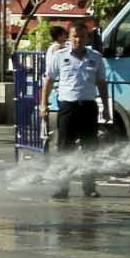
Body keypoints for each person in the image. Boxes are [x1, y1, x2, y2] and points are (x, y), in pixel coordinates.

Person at [38, 22, 105, 197]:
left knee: (90, 148)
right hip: (68, 107)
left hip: (88, 107)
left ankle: (89, 187)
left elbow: (101, 83)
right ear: (69, 37)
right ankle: (62, 187)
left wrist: (105, 106)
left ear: (87, 38)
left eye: (82, 36)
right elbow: (49, 82)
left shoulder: (96, 57)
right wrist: (43, 105)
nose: (78, 40)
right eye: (75, 36)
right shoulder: (59, 56)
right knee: (64, 148)